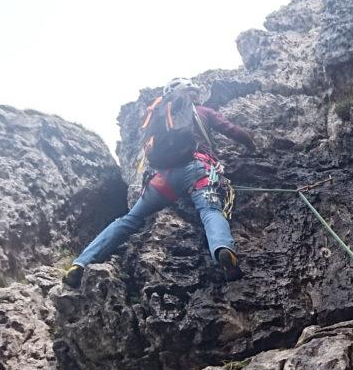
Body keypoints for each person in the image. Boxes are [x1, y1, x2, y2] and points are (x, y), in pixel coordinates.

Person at [62, 78, 255, 289]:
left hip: (162, 178)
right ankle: (222, 251)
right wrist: (251, 144)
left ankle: (81, 263)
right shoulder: (202, 111)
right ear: (193, 93)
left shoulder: (160, 116)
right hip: (199, 170)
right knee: (210, 211)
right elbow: (231, 130)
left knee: (130, 219)